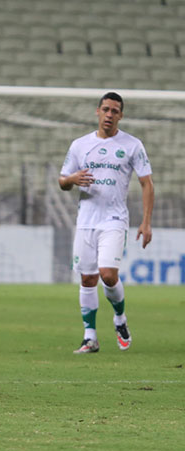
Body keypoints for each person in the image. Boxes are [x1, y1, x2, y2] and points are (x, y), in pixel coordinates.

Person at [59, 92, 154, 354]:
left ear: (121, 115)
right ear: (97, 112)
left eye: (115, 111)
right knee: (87, 279)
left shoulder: (132, 145)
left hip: (114, 220)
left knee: (108, 275)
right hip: (86, 221)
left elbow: (146, 183)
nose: (109, 115)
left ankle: (120, 320)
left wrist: (146, 222)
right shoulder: (80, 145)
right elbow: (62, 181)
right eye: (106, 109)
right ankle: (90, 337)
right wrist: (72, 179)